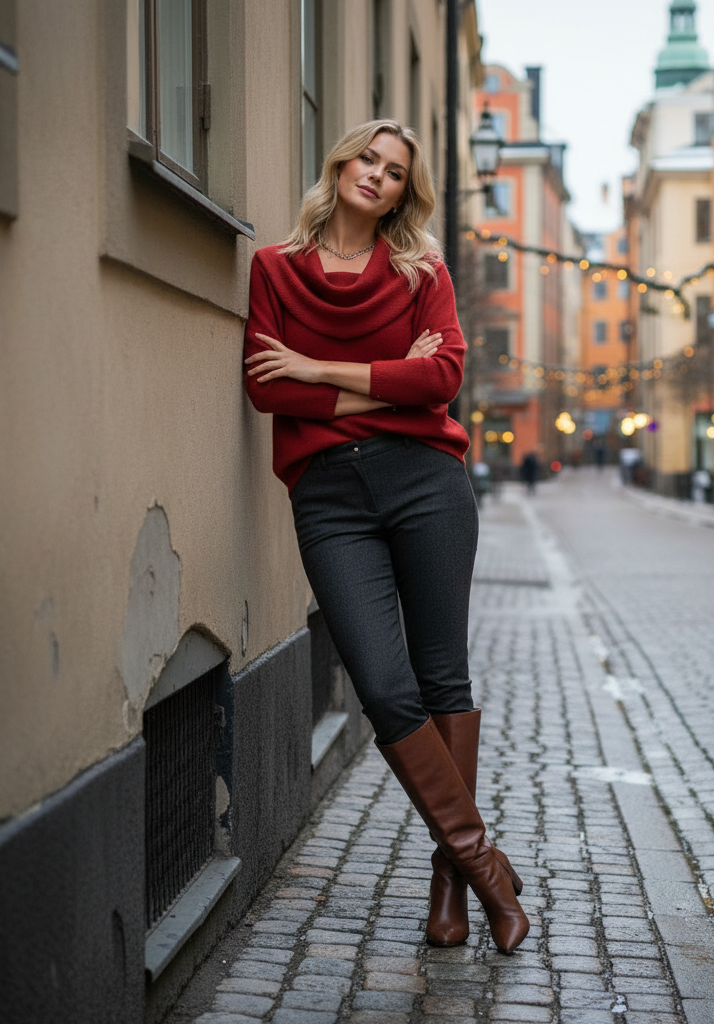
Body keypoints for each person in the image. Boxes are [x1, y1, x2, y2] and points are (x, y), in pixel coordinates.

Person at [242, 119, 528, 954]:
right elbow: (267, 393)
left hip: (426, 485)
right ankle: (485, 866)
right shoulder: (275, 270)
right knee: (382, 684)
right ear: (340, 164)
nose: (377, 174)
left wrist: (318, 370)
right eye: (368, 157)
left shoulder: (419, 271)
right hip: (329, 499)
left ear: (406, 191)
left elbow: (441, 381)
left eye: (395, 170)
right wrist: (386, 389)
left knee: (444, 678)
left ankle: (453, 890)